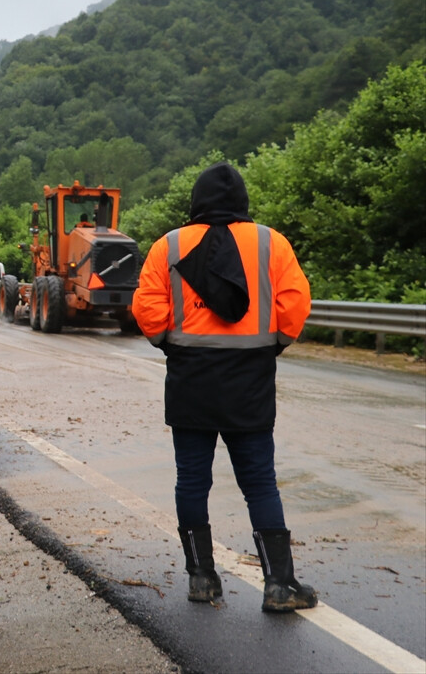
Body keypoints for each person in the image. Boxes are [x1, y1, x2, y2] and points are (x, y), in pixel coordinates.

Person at [132, 161, 316, 613]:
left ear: (196, 202)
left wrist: (171, 344)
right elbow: (295, 305)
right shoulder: (271, 244)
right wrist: (271, 346)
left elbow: (147, 309)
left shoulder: (168, 245)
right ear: (242, 203)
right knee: (260, 483)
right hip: (250, 380)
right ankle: (279, 586)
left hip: (190, 378)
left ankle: (201, 579)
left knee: (192, 481)